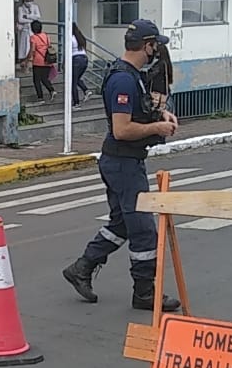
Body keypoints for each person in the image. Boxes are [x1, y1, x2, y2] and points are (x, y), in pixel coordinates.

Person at [62, 19, 182, 312]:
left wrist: (160, 113)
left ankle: (82, 267)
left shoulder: (130, 75)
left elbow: (138, 111)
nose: (157, 51)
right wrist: (157, 128)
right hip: (123, 163)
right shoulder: (123, 80)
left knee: (121, 223)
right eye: (155, 45)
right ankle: (144, 293)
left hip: (123, 160)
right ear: (147, 45)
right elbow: (122, 129)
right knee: (142, 229)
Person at [29, 20, 57, 102]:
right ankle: (52, 90)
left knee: (36, 80)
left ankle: (40, 98)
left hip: (38, 62)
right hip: (48, 60)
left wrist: (28, 59)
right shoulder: (46, 35)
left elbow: (33, 50)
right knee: (45, 78)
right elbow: (49, 46)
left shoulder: (33, 38)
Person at [16, 0, 42, 71]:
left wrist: (27, 16)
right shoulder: (21, 8)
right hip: (24, 30)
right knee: (23, 48)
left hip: (32, 31)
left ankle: (29, 65)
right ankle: (24, 66)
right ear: (24, 0)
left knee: (31, 47)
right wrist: (31, 20)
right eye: (27, 0)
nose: (29, 2)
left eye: (31, 0)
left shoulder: (35, 7)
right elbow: (20, 19)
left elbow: (38, 16)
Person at [69, 23, 90, 108]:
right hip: (84, 59)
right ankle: (86, 90)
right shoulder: (80, 37)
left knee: (73, 82)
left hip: (76, 60)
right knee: (76, 79)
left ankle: (76, 103)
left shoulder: (71, 38)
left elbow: (68, 51)